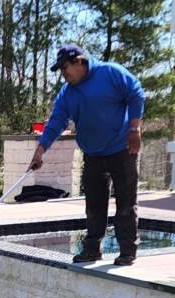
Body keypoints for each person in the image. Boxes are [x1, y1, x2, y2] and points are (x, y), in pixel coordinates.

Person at [30, 45, 145, 266]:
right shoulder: (67, 93)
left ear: (80, 61)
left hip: (122, 149)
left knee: (125, 204)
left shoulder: (110, 72)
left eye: (66, 68)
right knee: (94, 205)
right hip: (92, 154)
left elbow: (136, 93)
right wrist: (40, 149)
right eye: (61, 70)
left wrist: (134, 129)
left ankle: (127, 251)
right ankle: (92, 250)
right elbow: (56, 122)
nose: (64, 73)